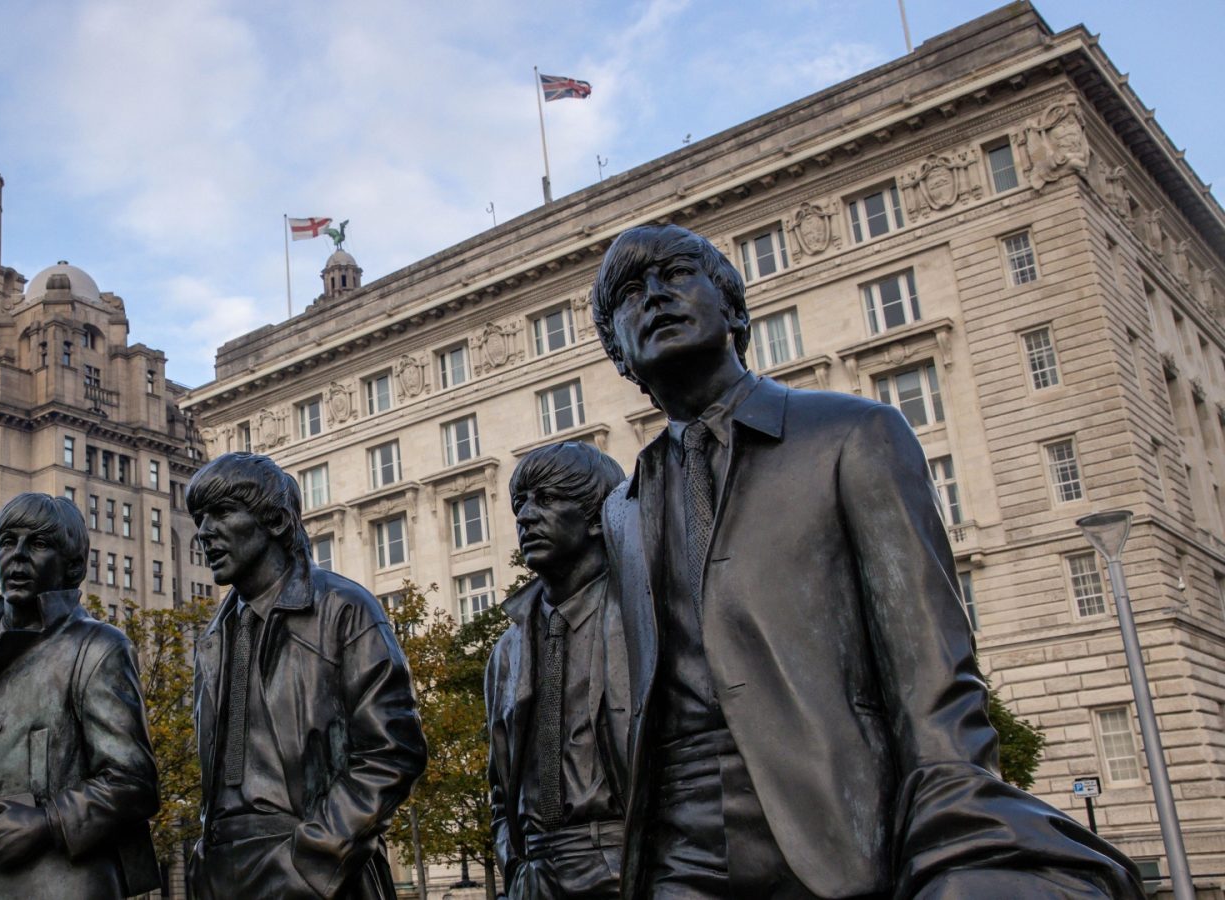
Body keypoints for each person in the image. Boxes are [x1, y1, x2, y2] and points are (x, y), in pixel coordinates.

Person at [589, 224, 1143, 899]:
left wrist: (956, 830)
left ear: (735, 309)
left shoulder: (853, 434)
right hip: (676, 853)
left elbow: (929, 669)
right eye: (627, 292)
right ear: (618, 353)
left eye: (675, 273)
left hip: (834, 833)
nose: (653, 295)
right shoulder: (621, 508)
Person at [186, 452, 427, 899]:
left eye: (221, 513)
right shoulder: (213, 638)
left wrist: (314, 858)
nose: (204, 532)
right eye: (200, 518)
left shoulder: (344, 609)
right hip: (223, 874)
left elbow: (393, 751)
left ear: (275, 521)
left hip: (314, 874)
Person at [0, 492, 161, 898]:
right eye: (7, 542)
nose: (17, 556)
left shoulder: (97, 647)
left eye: (37, 544)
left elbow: (133, 782)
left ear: (71, 565)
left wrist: (47, 823)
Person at [487, 441, 630, 899]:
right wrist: (513, 862)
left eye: (546, 500)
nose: (525, 516)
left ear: (593, 517)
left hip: (624, 861)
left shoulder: (643, 616)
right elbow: (499, 783)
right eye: (520, 505)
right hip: (533, 874)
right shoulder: (507, 649)